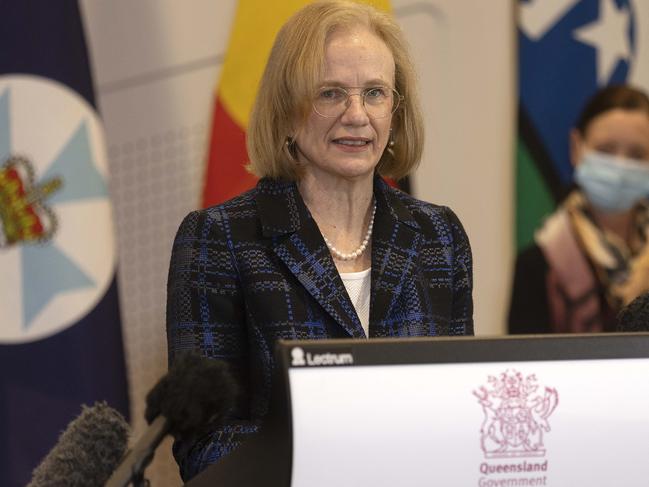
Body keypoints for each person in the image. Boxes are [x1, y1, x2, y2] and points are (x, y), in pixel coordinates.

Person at [166, 0, 474, 480]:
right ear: (288, 110)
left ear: (396, 110)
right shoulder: (219, 239)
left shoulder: (439, 236)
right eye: (331, 93)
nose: (357, 115)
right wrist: (345, 444)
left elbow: (461, 408)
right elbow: (203, 446)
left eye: (375, 93)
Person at [509, 85, 649, 334]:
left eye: (637, 154)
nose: (620, 165)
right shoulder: (539, 265)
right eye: (606, 150)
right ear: (576, 147)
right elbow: (528, 364)